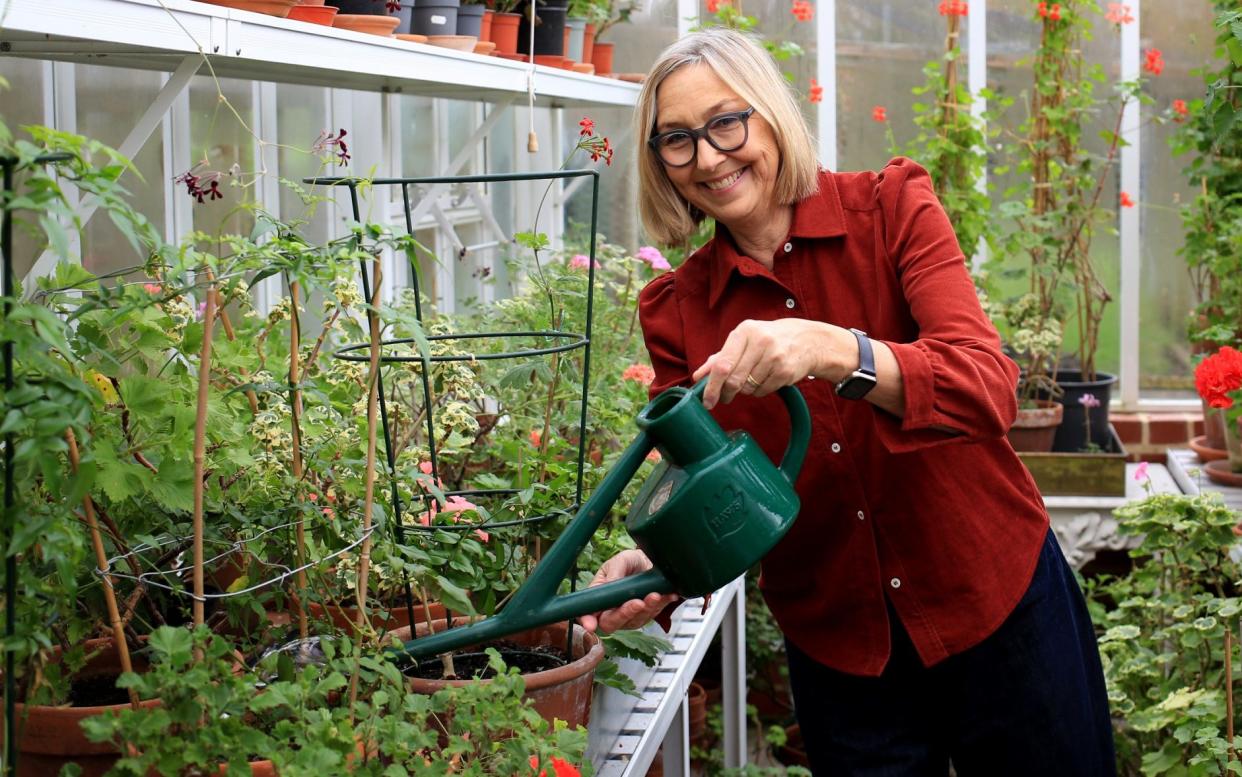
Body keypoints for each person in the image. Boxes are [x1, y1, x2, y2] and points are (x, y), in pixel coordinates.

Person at [577, 28, 1115, 776]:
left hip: (996, 605)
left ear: (770, 115)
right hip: (846, 656)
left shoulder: (891, 210)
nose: (707, 157)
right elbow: (722, 493)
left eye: (727, 122)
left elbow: (985, 386)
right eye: (677, 139)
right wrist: (656, 565)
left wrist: (836, 350)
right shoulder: (678, 310)